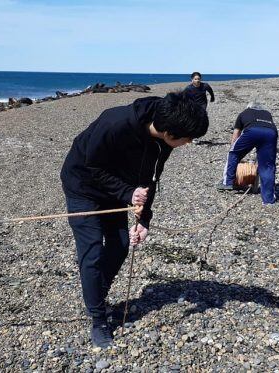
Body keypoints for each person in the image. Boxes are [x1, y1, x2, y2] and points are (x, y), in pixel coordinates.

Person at [60, 93, 209, 348]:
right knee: (93, 249)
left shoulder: (164, 142)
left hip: (117, 188)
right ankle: (98, 318)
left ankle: (96, 293)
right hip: (82, 185)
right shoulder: (115, 123)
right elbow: (91, 166)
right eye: (188, 137)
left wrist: (144, 219)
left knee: (120, 244)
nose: (189, 142)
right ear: (170, 131)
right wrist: (127, 193)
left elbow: (150, 178)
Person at [216, 100, 278, 204]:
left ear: (249, 107)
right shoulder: (267, 113)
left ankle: (227, 183)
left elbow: (236, 134)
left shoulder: (244, 113)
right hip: (271, 133)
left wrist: (235, 150)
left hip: (252, 131)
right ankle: (268, 199)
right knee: (267, 166)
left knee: (233, 153)